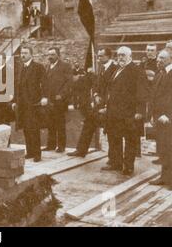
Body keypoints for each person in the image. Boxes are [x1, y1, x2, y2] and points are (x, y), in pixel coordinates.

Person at [101, 46, 147, 176]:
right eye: (119, 55)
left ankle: (128, 166)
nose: (120, 57)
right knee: (114, 137)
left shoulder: (136, 70)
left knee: (130, 140)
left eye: (123, 55)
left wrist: (139, 110)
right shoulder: (116, 69)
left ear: (130, 56)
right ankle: (116, 163)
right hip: (114, 112)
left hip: (129, 112)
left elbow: (142, 91)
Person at [68, 48, 117, 158]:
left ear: (108, 56)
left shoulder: (114, 68)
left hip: (110, 105)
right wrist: (95, 95)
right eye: (98, 56)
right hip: (98, 103)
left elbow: (114, 88)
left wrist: (106, 104)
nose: (99, 58)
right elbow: (96, 84)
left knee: (112, 131)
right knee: (89, 123)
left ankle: (113, 158)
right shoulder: (101, 68)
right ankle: (81, 150)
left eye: (101, 56)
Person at [12, 45, 45, 161]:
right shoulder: (21, 68)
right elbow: (18, 87)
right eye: (22, 53)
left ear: (31, 54)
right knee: (26, 128)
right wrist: (15, 101)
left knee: (34, 129)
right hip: (22, 105)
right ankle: (30, 151)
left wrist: (43, 97)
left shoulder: (38, 67)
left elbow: (44, 84)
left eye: (25, 53)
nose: (23, 55)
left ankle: (37, 154)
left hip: (33, 104)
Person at [41, 47, 73, 153]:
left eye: (53, 54)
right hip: (49, 100)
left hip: (59, 100)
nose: (50, 57)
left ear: (58, 55)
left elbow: (69, 83)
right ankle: (51, 145)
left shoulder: (65, 66)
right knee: (50, 123)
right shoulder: (47, 67)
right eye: (49, 55)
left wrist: (62, 95)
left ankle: (61, 146)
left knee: (60, 123)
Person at [149, 49, 172, 189]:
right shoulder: (160, 74)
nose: (159, 60)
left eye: (162, 58)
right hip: (160, 118)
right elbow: (154, 96)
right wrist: (153, 114)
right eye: (158, 58)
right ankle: (165, 177)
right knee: (163, 149)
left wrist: (168, 115)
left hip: (168, 118)